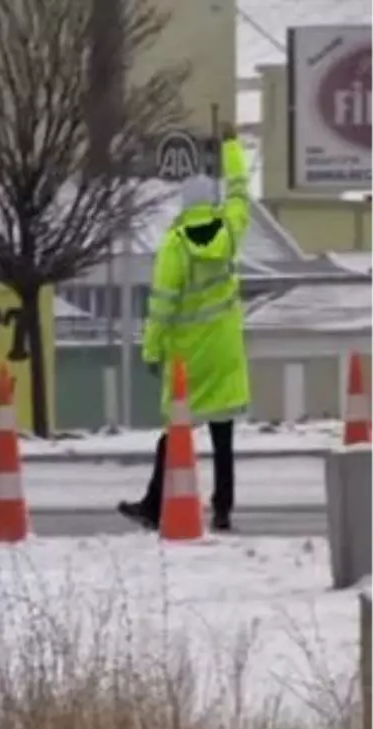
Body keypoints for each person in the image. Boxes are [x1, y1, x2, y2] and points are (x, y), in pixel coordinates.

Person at [118, 121, 250, 533]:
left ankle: (154, 505)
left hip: (187, 357)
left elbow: (161, 305)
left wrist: (151, 349)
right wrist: (230, 146)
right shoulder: (228, 228)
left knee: (176, 432)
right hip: (224, 350)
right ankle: (223, 508)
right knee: (223, 433)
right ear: (211, 203)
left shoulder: (175, 246)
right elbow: (241, 192)